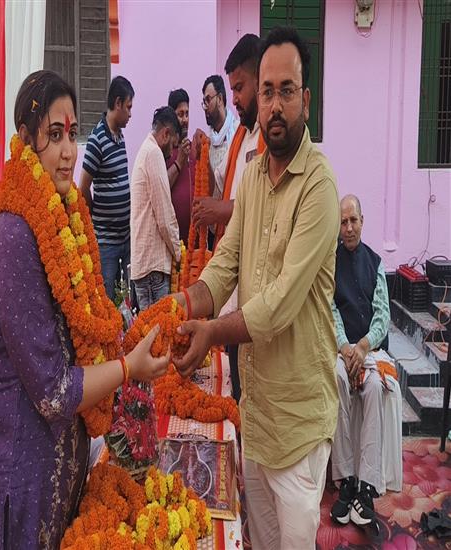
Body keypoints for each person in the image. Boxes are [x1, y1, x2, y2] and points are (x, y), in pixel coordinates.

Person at [0, 70, 169, 550]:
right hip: (24, 491)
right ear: (25, 140)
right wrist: (128, 367)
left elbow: (84, 333)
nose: (68, 151)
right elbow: (55, 392)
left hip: (59, 478)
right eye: (55, 135)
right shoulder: (14, 239)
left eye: (72, 134)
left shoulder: (62, 214)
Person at [172, 27, 339, 549]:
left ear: (305, 99)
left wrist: (210, 331)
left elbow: (278, 305)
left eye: (286, 90)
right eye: (267, 91)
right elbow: (226, 263)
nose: (274, 105)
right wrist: (179, 305)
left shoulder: (319, 187)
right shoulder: (251, 180)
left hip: (298, 423)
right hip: (258, 415)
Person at [193, 33, 266, 404]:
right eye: (232, 89)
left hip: (258, 292)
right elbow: (224, 187)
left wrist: (219, 210)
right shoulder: (240, 134)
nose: (234, 98)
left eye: (239, 88)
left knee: (252, 390)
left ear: (260, 81)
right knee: (239, 388)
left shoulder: (272, 138)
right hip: (233, 275)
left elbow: (266, 207)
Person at [330, 194, 390, 528]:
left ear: (362, 222)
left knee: (374, 388)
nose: (349, 227)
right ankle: (346, 479)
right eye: (343, 222)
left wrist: (364, 346)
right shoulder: (330, 263)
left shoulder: (376, 263)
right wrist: (345, 347)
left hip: (371, 350)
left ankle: (366, 487)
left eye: (353, 220)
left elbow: (382, 315)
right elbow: (331, 310)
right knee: (338, 378)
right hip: (342, 350)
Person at [79, 76, 134, 301]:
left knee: (129, 299)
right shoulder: (97, 139)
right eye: (128, 107)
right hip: (106, 242)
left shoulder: (120, 136)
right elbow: (83, 187)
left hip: (126, 237)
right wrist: (98, 217)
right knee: (107, 300)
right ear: (118, 103)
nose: (130, 114)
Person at [130, 106, 182, 311]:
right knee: (158, 329)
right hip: (153, 268)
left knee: (149, 328)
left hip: (147, 267)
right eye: (173, 145)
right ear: (166, 134)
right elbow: (164, 216)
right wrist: (178, 254)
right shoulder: (153, 153)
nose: (172, 152)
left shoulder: (146, 150)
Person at [167, 88, 195, 245]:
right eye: (180, 114)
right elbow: (162, 187)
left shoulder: (193, 148)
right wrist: (180, 160)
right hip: (172, 243)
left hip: (194, 243)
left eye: (187, 114)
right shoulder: (164, 151)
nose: (185, 119)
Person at [201, 74, 238, 172]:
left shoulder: (238, 131)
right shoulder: (207, 142)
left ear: (220, 99)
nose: (205, 107)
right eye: (204, 102)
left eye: (208, 100)